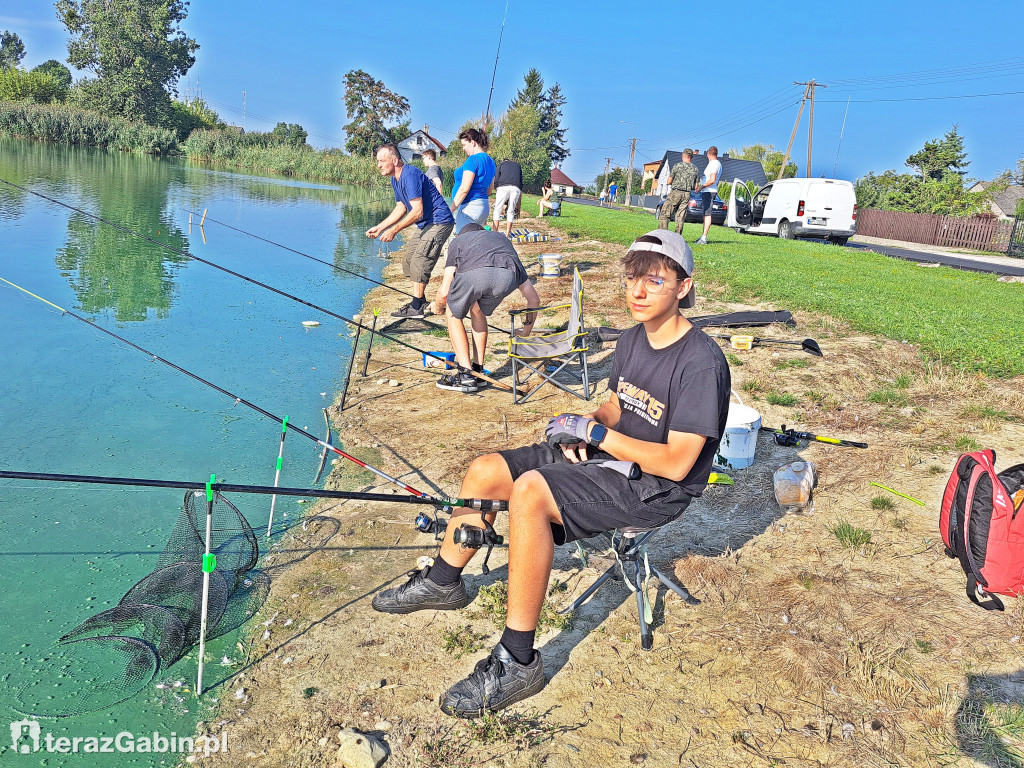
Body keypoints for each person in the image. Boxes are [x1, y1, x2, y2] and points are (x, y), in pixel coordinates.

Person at [371, 229, 731, 718]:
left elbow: (677, 463)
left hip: (655, 487)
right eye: (632, 279)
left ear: (683, 287)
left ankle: (518, 660)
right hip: (608, 455)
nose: (638, 292)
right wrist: (586, 428)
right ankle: (443, 581)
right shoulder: (630, 339)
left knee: (531, 492)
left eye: (655, 281)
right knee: (486, 471)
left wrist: (600, 438)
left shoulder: (701, 361)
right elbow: (612, 404)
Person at [429, 223, 539, 393]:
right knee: (477, 309)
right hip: (506, 277)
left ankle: (466, 376)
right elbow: (534, 300)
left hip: (474, 274)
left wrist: (437, 306)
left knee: (452, 312)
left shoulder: (458, 241)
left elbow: (444, 292)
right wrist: (525, 333)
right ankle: (478, 370)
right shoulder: (501, 239)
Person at [365, 144, 455, 319]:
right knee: (408, 263)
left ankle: (417, 306)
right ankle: (420, 301)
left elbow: (417, 211)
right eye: (378, 161)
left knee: (420, 261)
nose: (379, 165)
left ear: (395, 160)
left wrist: (394, 230)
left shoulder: (410, 174)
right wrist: (381, 227)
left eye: (382, 161)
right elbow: (401, 207)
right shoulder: (395, 179)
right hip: (426, 224)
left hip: (439, 221)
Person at [450, 128, 496, 232]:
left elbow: (464, 189)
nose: (463, 149)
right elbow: (489, 190)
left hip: (469, 208)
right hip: (483, 207)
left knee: (462, 243)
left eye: (464, 145)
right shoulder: (491, 162)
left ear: (473, 143)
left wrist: (450, 210)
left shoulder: (472, 160)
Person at [659, 149, 700, 232]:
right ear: (691, 157)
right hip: (687, 194)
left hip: (676, 192)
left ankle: (662, 234)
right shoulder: (695, 169)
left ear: (682, 155)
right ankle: (677, 235)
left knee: (665, 213)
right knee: (681, 215)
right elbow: (696, 186)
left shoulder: (677, 166)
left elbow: (669, 181)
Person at [694, 146, 722, 245]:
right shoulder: (718, 164)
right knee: (705, 213)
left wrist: (701, 187)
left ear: (708, 154)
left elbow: (713, 179)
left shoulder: (713, 164)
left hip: (709, 191)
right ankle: (702, 236)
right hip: (711, 190)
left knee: (707, 214)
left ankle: (704, 238)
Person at [492, 158, 523, 237]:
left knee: (497, 209)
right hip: (516, 187)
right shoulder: (518, 165)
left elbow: (496, 177)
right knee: (511, 210)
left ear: (504, 161)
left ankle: (495, 233)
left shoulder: (501, 164)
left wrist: (496, 188)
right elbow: (520, 179)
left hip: (503, 186)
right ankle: (507, 234)